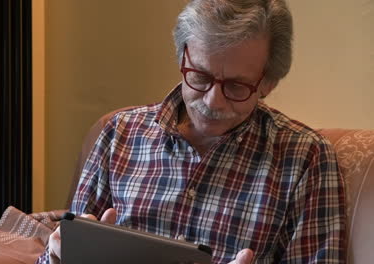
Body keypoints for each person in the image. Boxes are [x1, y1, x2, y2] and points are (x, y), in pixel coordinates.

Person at [38, 0, 346, 263]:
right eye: (199, 76)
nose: (213, 101)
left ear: (268, 83)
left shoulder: (306, 156)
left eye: (236, 86)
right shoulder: (120, 133)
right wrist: (56, 256)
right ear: (182, 57)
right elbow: (63, 246)